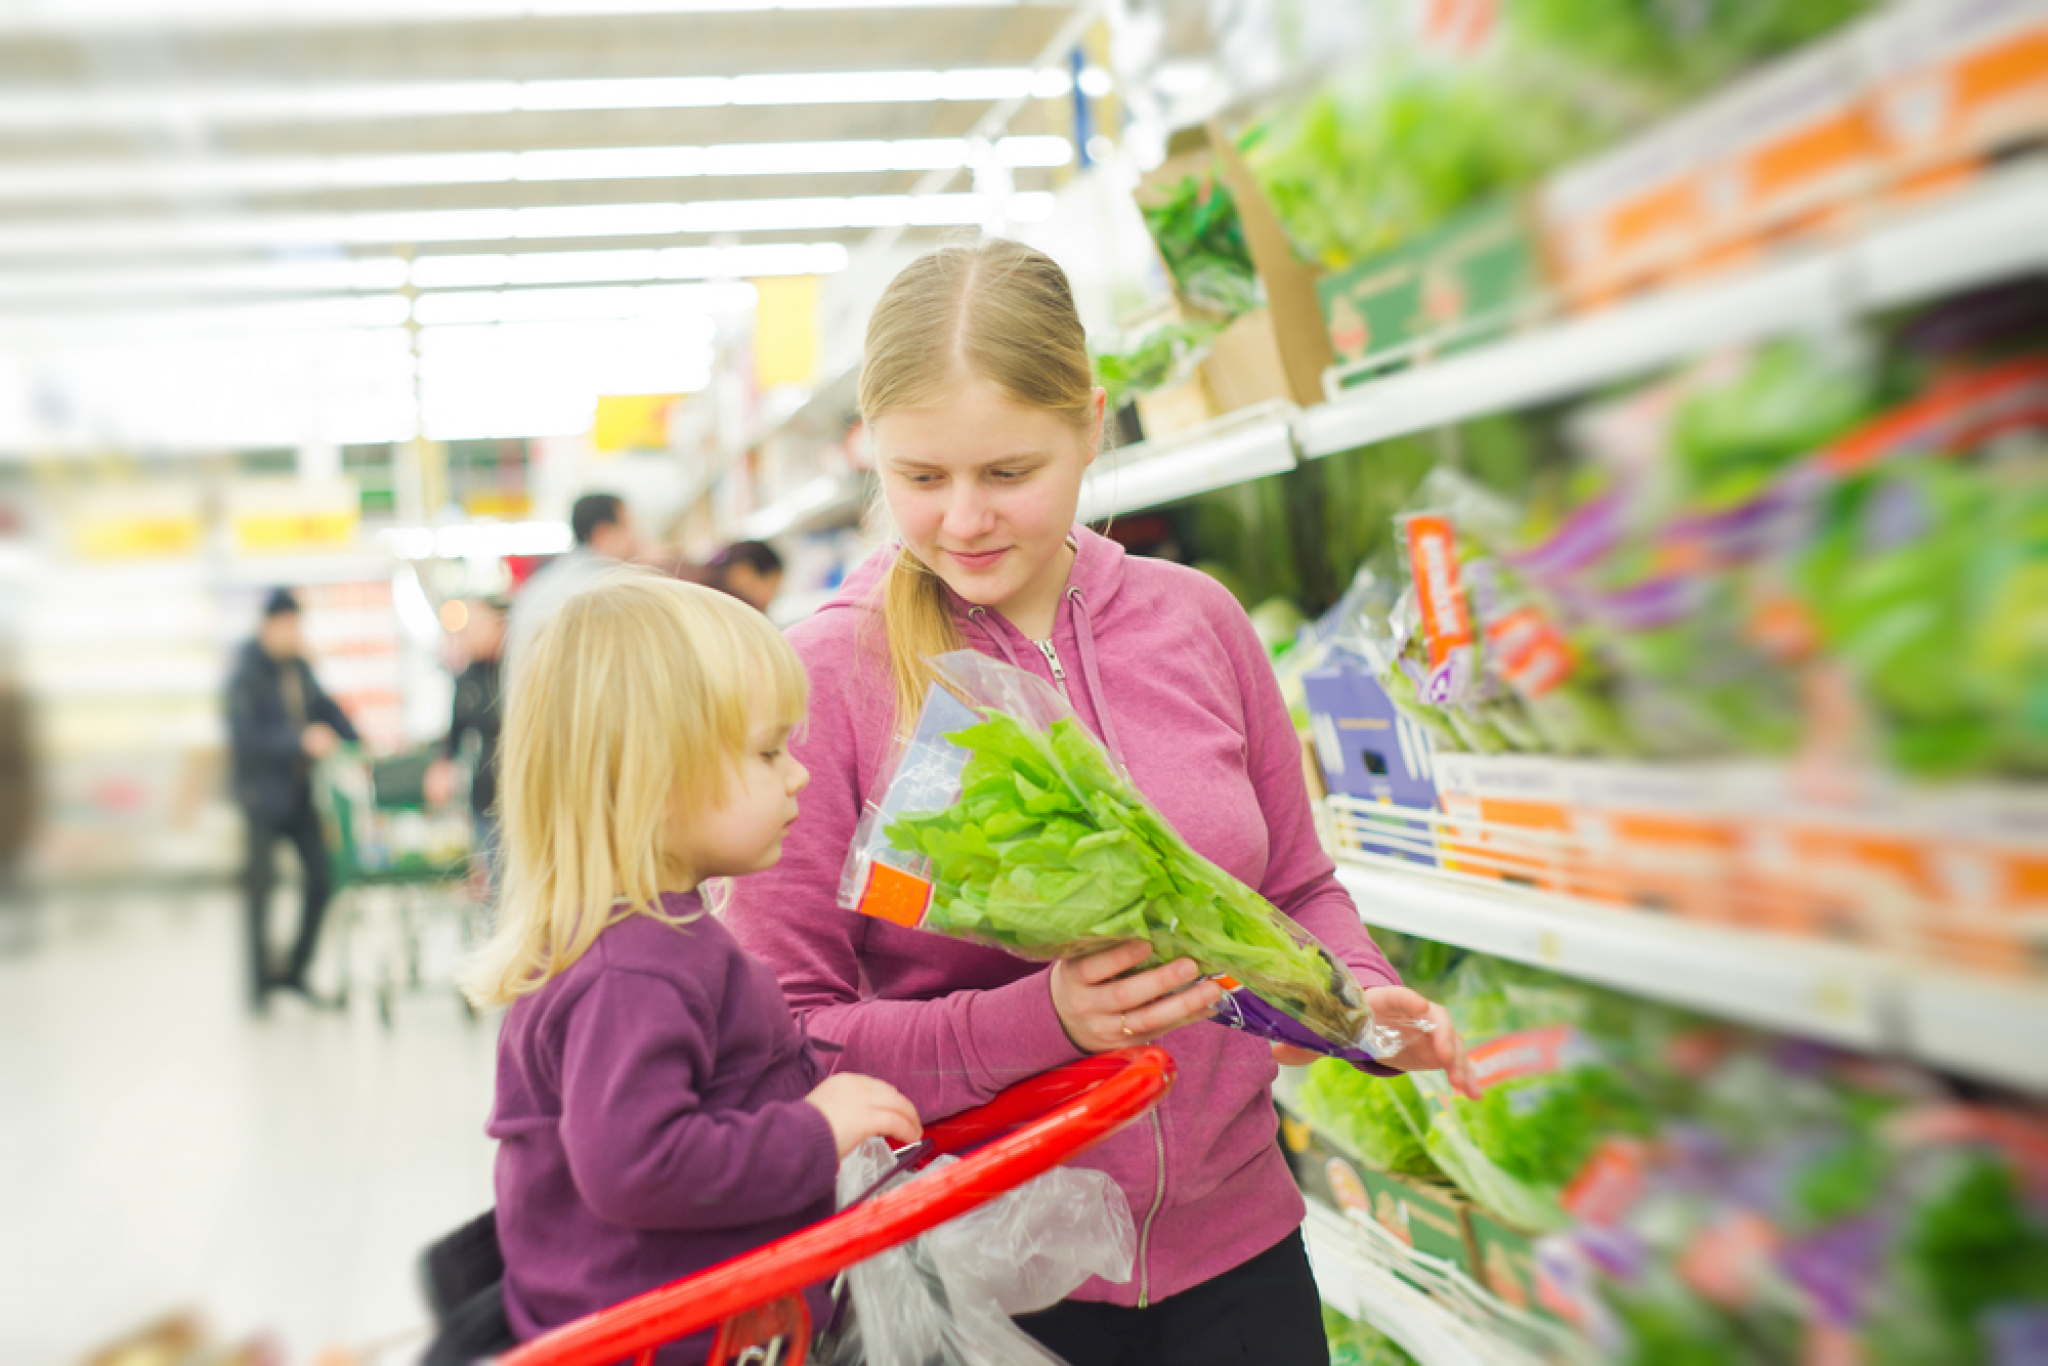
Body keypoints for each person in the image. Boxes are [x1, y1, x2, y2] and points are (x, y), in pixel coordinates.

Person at [726, 240, 1478, 1366]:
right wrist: (1045, 1024)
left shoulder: (1195, 620)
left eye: (1008, 472)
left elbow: (1293, 884)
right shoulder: (825, 677)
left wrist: (1359, 1000)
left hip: (1242, 1260)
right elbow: (789, 1034)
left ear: (1091, 422)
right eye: (920, 479)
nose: (964, 519)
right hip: (983, 1278)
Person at [464, 570, 920, 1365]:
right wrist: (816, 1130)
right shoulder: (632, 968)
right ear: (656, 775)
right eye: (769, 751)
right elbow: (637, 1166)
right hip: (672, 1339)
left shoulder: (650, 935)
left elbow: (724, 1085)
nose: (798, 774)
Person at [226, 587, 359, 1011]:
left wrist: (357, 736)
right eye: (287, 624)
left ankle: (295, 971)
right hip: (261, 797)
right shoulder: (245, 673)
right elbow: (248, 738)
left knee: (321, 881)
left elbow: (325, 709)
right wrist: (300, 741)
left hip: (300, 794)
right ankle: (259, 988)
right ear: (269, 626)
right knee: (261, 893)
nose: (294, 632)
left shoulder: (298, 667)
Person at [504, 492, 644, 669]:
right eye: (629, 526)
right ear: (604, 534)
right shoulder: (605, 591)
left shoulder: (542, 583)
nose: (637, 538)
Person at [426, 595, 508, 884]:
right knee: (497, 882)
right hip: (486, 795)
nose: (469, 637)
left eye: (476, 627)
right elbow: (455, 730)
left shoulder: (516, 670)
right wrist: (442, 766)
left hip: (520, 793)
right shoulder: (468, 679)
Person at [695, 539, 785, 614]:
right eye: (771, 587)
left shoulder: (700, 599)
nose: (769, 600)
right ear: (744, 575)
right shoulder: (728, 614)